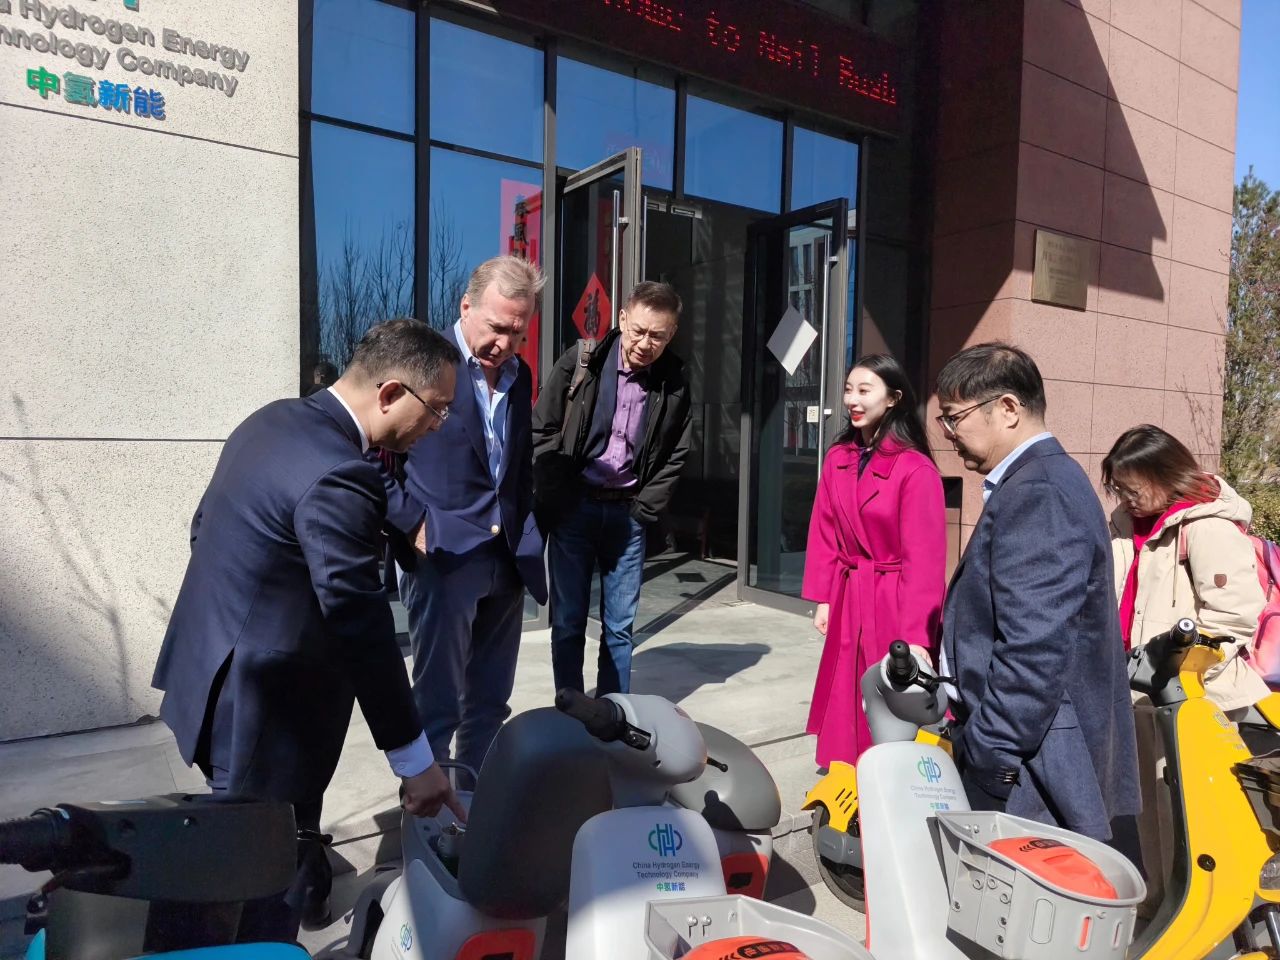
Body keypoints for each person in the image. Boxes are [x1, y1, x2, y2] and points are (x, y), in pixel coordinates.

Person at [152, 319, 466, 939]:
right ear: (390, 393)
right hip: (264, 713)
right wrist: (415, 761)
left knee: (243, 854)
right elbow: (360, 624)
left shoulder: (269, 421)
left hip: (214, 675)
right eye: (437, 409)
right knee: (254, 891)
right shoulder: (340, 473)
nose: (438, 425)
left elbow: (202, 527)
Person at [935, 342, 1139, 842]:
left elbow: (1033, 648)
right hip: (1026, 749)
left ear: (1007, 408)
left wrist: (990, 753)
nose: (948, 434)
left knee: (1018, 887)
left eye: (954, 418)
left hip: (1030, 763)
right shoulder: (1036, 480)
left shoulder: (1040, 490)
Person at [378, 256, 548, 775]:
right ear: (466, 306)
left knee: (491, 702)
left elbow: (516, 463)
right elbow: (370, 456)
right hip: (443, 558)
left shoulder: (521, 376)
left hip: (507, 560)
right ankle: (428, 812)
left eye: (518, 333)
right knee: (437, 705)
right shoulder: (422, 365)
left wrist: (529, 529)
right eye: (497, 327)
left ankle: (475, 801)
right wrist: (411, 522)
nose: (506, 344)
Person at [1103, 423, 1267, 906]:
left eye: (1133, 487)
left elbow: (1235, 617)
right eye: (1119, 488)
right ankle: (1161, 909)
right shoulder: (1125, 522)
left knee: (1191, 820)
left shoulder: (1208, 526)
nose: (1126, 497)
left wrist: (1181, 672)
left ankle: (1203, 917)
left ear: (1164, 475)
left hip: (1192, 699)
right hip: (1138, 690)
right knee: (1150, 815)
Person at [532, 281, 692, 695]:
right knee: (568, 621)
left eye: (657, 336)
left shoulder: (674, 381)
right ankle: (570, 705)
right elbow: (542, 430)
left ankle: (613, 709)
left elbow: (677, 452)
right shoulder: (582, 362)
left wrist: (644, 509)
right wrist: (559, 495)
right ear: (622, 319)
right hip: (575, 509)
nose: (645, 344)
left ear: (671, 334)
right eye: (638, 331)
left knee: (620, 628)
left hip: (628, 515)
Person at [802, 354, 946, 767]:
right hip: (851, 592)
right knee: (846, 684)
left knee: (891, 691)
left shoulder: (915, 469)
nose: (853, 400)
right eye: (849, 390)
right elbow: (825, 530)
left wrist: (917, 636)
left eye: (865, 390)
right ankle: (847, 768)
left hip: (894, 598)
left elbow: (925, 560)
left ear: (894, 398)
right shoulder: (838, 457)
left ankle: (890, 772)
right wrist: (824, 597)